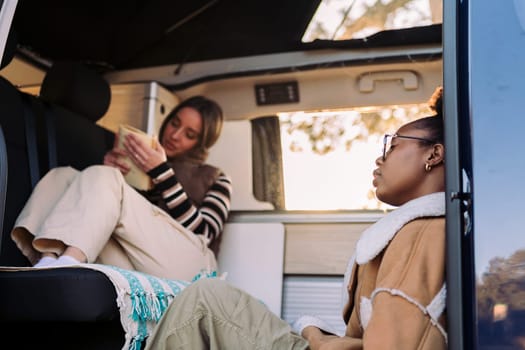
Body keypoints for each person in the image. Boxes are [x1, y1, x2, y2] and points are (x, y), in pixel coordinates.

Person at [142, 87, 447, 349]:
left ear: (433, 156)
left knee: (204, 300)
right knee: (208, 296)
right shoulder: (413, 230)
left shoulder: (420, 234)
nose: (380, 158)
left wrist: (317, 337)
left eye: (392, 145)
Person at [11, 95, 232, 281]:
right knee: (64, 176)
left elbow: (205, 233)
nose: (175, 135)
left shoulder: (217, 178)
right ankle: (47, 262)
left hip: (192, 266)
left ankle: (67, 267)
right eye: (175, 123)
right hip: (139, 257)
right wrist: (106, 173)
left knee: (106, 177)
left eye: (189, 135)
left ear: (202, 143)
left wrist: (162, 174)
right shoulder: (141, 167)